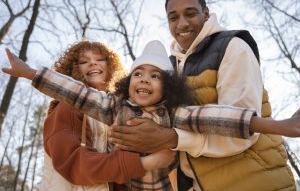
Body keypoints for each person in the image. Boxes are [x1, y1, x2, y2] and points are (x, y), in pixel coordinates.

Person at [2, 40, 300, 190]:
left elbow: (221, 118)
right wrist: (29, 72)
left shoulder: (176, 114)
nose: (144, 79)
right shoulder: (107, 107)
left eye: (154, 76)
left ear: (167, 86)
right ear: (128, 81)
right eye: (139, 74)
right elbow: (74, 94)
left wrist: (280, 126)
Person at [105, 0, 298, 190]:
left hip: (254, 181)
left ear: (205, 14)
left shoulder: (232, 47)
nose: (182, 24)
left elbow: (237, 131)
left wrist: (171, 138)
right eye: (173, 18)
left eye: (190, 13)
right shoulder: (167, 68)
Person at [30, 40, 176, 191]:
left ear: (111, 66)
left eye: (100, 59)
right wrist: (146, 163)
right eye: (84, 61)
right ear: (72, 68)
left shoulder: (122, 110)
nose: (93, 63)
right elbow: (74, 164)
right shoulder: (67, 107)